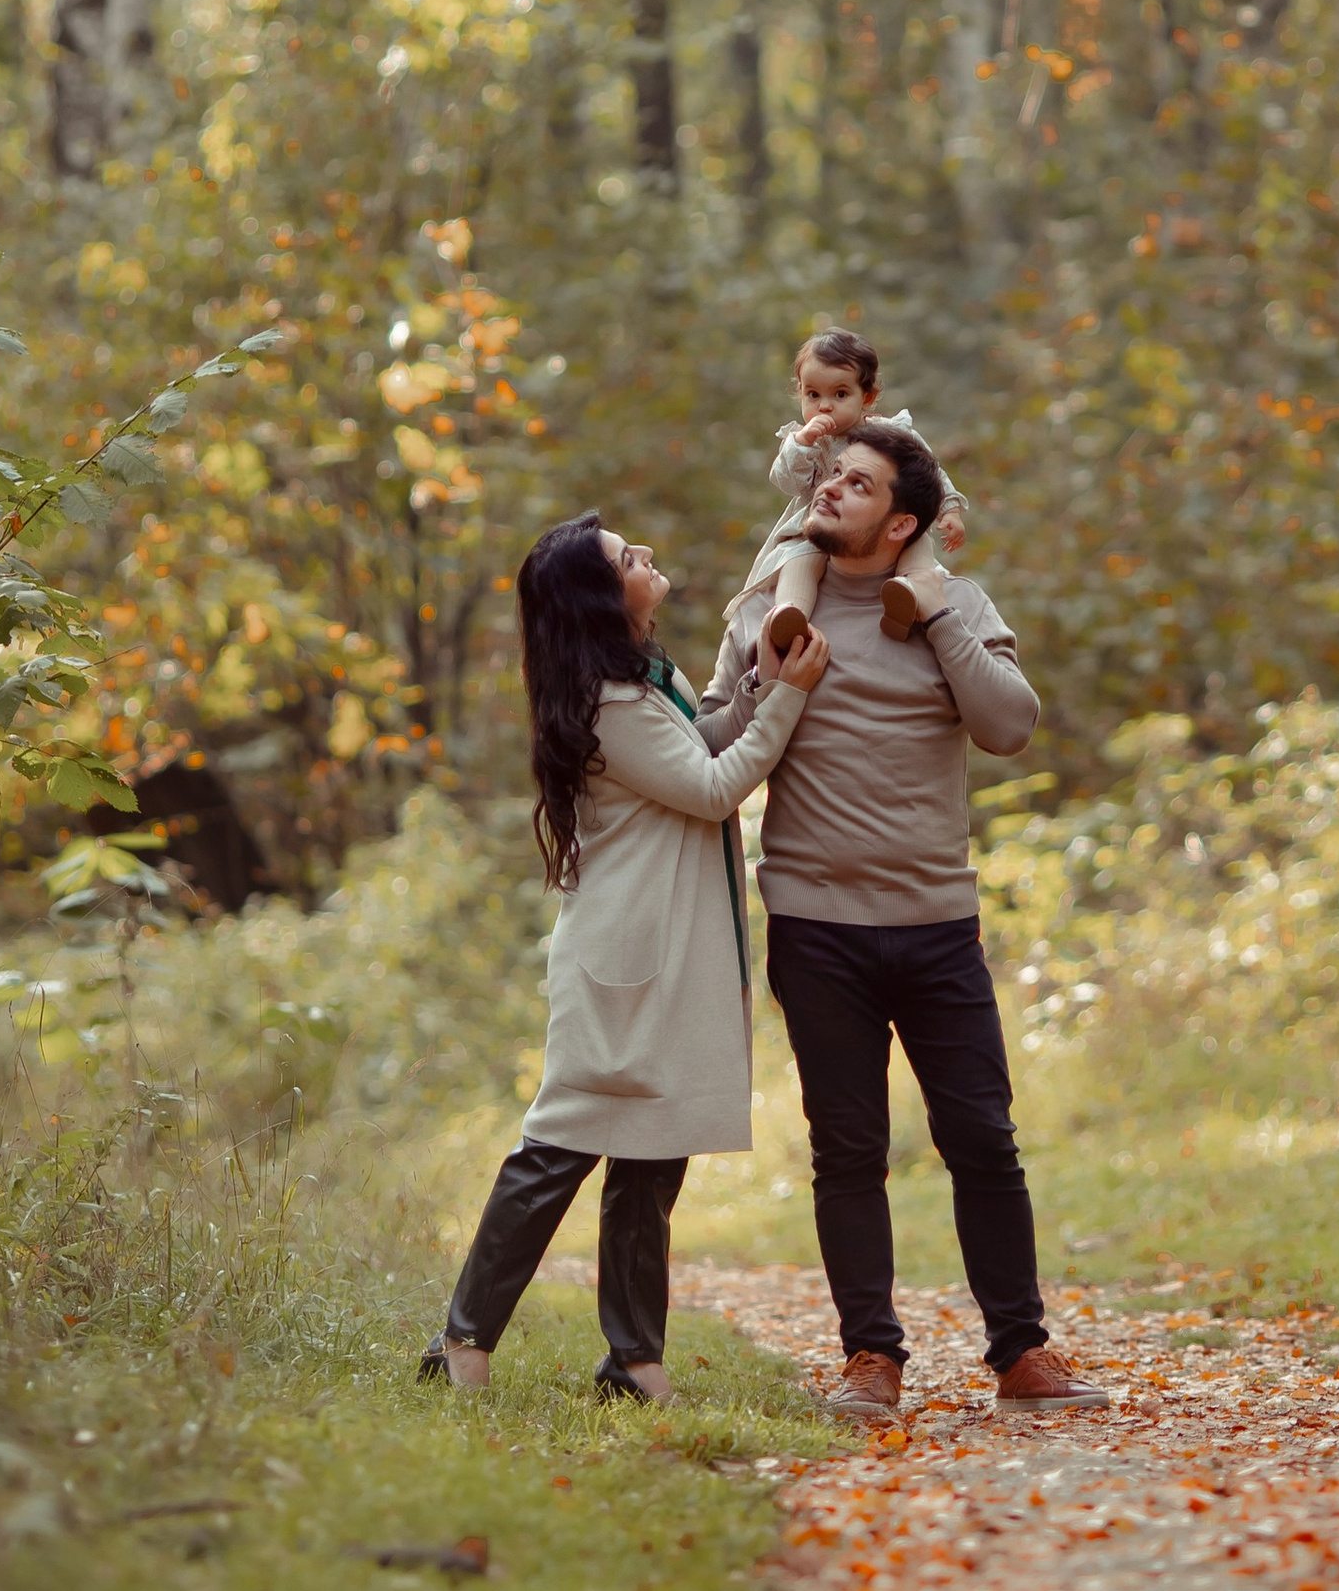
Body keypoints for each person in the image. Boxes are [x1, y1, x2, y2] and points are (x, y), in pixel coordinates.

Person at [706, 419, 1108, 1423]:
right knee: (847, 1149)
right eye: (828, 476)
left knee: (981, 1137)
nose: (830, 490)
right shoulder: (768, 604)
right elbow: (712, 731)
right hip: (815, 921)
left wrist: (931, 618)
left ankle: (1020, 1352)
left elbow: (1009, 725)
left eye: (857, 481)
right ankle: (869, 1360)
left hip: (934, 923)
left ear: (903, 522)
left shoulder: (955, 604)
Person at [423, 511, 829, 1403]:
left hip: (666, 951)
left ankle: (633, 1360)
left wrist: (759, 682)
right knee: (559, 1148)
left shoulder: (644, 678)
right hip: (625, 959)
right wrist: (792, 694)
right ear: (602, 599)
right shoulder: (610, 704)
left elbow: (707, 741)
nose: (648, 556)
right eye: (627, 559)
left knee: (655, 1150)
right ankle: (462, 1338)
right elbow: (718, 788)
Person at [745, 324, 967, 651]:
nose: (824, 406)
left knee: (915, 542)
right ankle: (789, 616)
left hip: (881, 523)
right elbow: (787, 483)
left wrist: (950, 508)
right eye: (813, 395)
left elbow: (927, 472)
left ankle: (906, 597)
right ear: (800, 392)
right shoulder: (809, 442)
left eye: (840, 394)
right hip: (820, 523)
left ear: (868, 397)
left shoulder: (890, 434)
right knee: (797, 559)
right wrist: (803, 444)